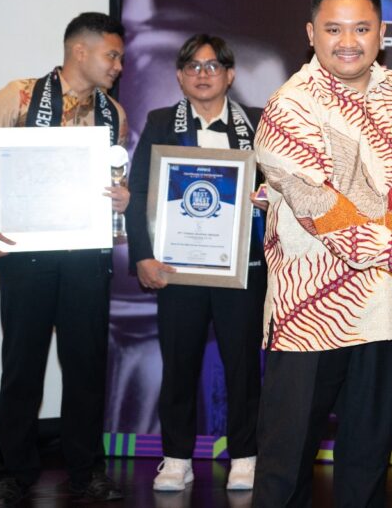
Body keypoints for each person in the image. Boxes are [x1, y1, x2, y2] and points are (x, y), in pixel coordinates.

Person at [252, 0, 392, 507]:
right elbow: (319, 205)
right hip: (309, 316)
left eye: (361, 28)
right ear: (311, 33)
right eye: (333, 29)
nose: (347, 41)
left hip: (387, 311)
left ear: (381, 32)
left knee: (367, 466)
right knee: (285, 466)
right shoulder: (289, 106)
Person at [0, 12, 129, 506]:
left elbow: (112, 180)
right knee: (22, 367)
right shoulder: (19, 95)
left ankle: (87, 471)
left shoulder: (113, 114)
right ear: (80, 50)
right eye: (112, 55)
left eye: (119, 58)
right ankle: (15, 473)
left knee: (86, 368)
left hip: (86, 258)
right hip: (26, 257)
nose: (117, 66)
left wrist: (122, 197)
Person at [125, 34, 268, 493]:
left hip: (240, 267)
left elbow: (282, 185)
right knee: (179, 365)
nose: (202, 74)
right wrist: (142, 255)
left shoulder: (258, 123)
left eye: (212, 66)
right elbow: (139, 192)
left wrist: (268, 199)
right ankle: (176, 458)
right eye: (193, 66)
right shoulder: (160, 121)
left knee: (242, 366)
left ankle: (244, 455)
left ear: (230, 74)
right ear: (180, 76)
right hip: (178, 269)